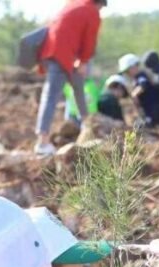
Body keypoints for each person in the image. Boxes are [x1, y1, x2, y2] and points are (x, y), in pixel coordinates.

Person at [34, 0, 106, 156]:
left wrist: (79, 60)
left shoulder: (73, 4)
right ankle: (42, 142)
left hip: (52, 52)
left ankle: (87, 129)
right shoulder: (91, 11)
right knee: (51, 96)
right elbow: (89, 40)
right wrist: (84, 60)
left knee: (78, 87)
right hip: (60, 56)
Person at [118, 53, 159, 128]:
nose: (127, 74)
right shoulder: (135, 79)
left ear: (134, 67)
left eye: (127, 71)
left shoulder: (141, 76)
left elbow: (143, 85)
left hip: (152, 109)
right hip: (147, 109)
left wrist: (134, 94)